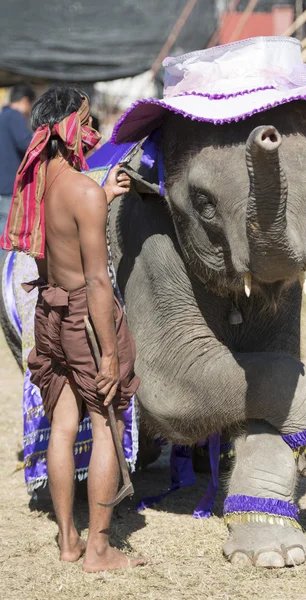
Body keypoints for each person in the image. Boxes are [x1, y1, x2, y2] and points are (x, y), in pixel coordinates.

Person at [0, 86, 146, 572]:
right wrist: (108, 353)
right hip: (85, 319)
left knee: (63, 427)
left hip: (49, 313)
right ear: (65, 131)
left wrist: (99, 197)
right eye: (84, 121)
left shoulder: (36, 183)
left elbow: (56, 237)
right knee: (107, 425)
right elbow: (98, 281)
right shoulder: (83, 190)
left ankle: (68, 543)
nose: (93, 131)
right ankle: (99, 551)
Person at [0, 83, 36, 256]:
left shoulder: (3, 115)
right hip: (7, 186)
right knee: (7, 232)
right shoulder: (15, 116)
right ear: (24, 101)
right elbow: (27, 144)